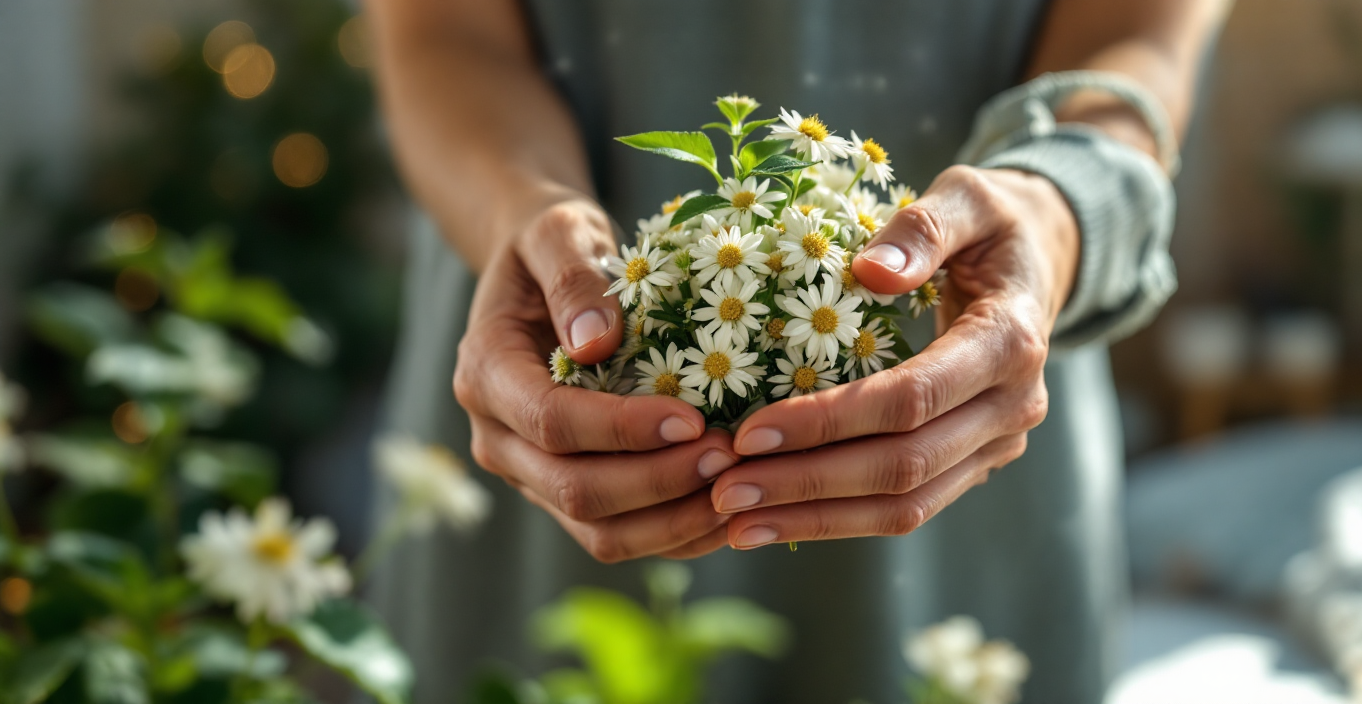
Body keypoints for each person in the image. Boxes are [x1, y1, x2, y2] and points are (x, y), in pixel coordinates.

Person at [363, 1, 1226, 701]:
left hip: (967, 424)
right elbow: (442, 33)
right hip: (561, 384)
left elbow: (1138, 34)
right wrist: (519, 207)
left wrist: (1055, 205)